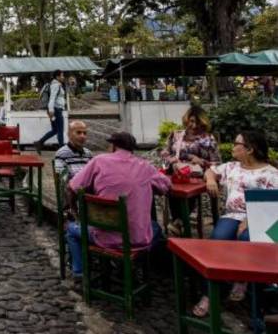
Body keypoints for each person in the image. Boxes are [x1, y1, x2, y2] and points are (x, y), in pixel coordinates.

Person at [192, 130, 278, 317]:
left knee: (247, 240)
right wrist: (210, 179)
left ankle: (243, 280)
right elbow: (210, 170)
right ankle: (210, 293)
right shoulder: (231, 167)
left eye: (236, 143)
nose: (233, 147)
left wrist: (251, 220)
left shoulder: (271, 174)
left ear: (249, 149)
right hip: (232, 215)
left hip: (260, 218)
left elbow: (273, 205)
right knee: (217, 241)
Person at [65, 132, 171, 279]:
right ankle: (133, 266)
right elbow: (165, 186)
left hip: (104, 237)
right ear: (132, 149)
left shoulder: (99, 161)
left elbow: (72, 187)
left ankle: (79, 272)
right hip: (137, 239)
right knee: (155, 228)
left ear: (114, 146)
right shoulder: (144, 166)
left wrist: (74, 210)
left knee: (71, 229)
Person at [160, 106, 220, 236]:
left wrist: (201, 161)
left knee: (188, 190)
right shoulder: (176, 135)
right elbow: (164, 154)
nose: (194, 125)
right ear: (186, 120)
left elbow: (217, 163)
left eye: (198, 122)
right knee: (171, 188)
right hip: (177, 174)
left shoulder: (209, 139)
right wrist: (173, 162)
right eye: (191, 121)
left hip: (196, 177)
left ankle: (178, 223)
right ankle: (178, 223)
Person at [35, 70, 67, 152]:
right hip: (56, 110)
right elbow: (52, 98)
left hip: (54, 109)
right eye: (62, 76)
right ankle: (62, 150)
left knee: (55, 130)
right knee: (60, 130)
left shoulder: (56, 84)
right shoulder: (56, 85)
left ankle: (40, 142)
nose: (63, 77)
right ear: (57, 77)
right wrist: (51, 110)